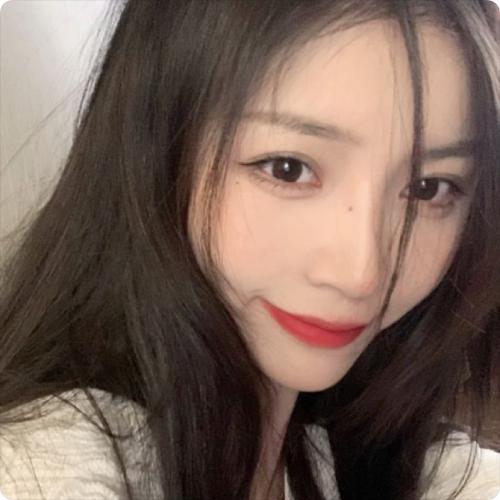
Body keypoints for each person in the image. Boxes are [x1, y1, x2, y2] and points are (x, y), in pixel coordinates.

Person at [0, 0, 499, 499]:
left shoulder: (408, 465)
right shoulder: (44, 471)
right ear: (156, 154)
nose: (361, 274)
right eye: (288, 169)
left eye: (429, 188)